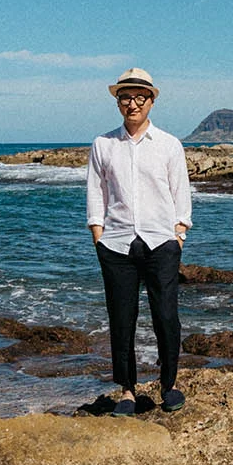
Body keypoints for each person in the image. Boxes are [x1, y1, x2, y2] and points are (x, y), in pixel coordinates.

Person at [86, 67, 192, 410]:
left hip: (161, 242)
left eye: (139, 97)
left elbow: (181, 192)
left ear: (151, 101)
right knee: (121, 319)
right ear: (118, 102)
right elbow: (96, 192)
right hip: (116, 244)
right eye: (125, 97)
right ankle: (127, 391)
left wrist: (179, 234)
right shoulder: (103, 144)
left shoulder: (169, 145)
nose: (132, 104)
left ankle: (169, 385)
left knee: (166, 316)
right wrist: (98, 235)